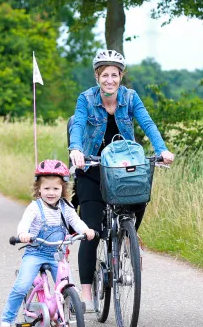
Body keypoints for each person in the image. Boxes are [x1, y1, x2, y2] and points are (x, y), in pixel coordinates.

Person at [68, 49, 174, 307]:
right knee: (91, 230)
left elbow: (147, 124)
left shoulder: (130, 97)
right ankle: (85, 293)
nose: (110, 80)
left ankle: (126, 239)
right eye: (105, 75)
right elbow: (79, 124)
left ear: (121, 76)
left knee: (140, 199)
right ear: (97, 76)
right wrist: (75, 149)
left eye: (114, 75)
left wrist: (161, 149)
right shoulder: (86, 99)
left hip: (123, 168)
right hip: (93, 168)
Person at [0, 159, 95, 327]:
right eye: (46, 188)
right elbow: (24, 223)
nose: (51, 193)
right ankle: (6, 323)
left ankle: (61, 323)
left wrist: (86, 230)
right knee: (21, 285)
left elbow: (76, 222)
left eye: (56, 189)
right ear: (39, 189)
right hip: (35, 252)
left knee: (69, 289)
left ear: (63, 189)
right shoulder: (35, 207)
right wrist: (23, 234)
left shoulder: (66, 207)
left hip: (56, 254)